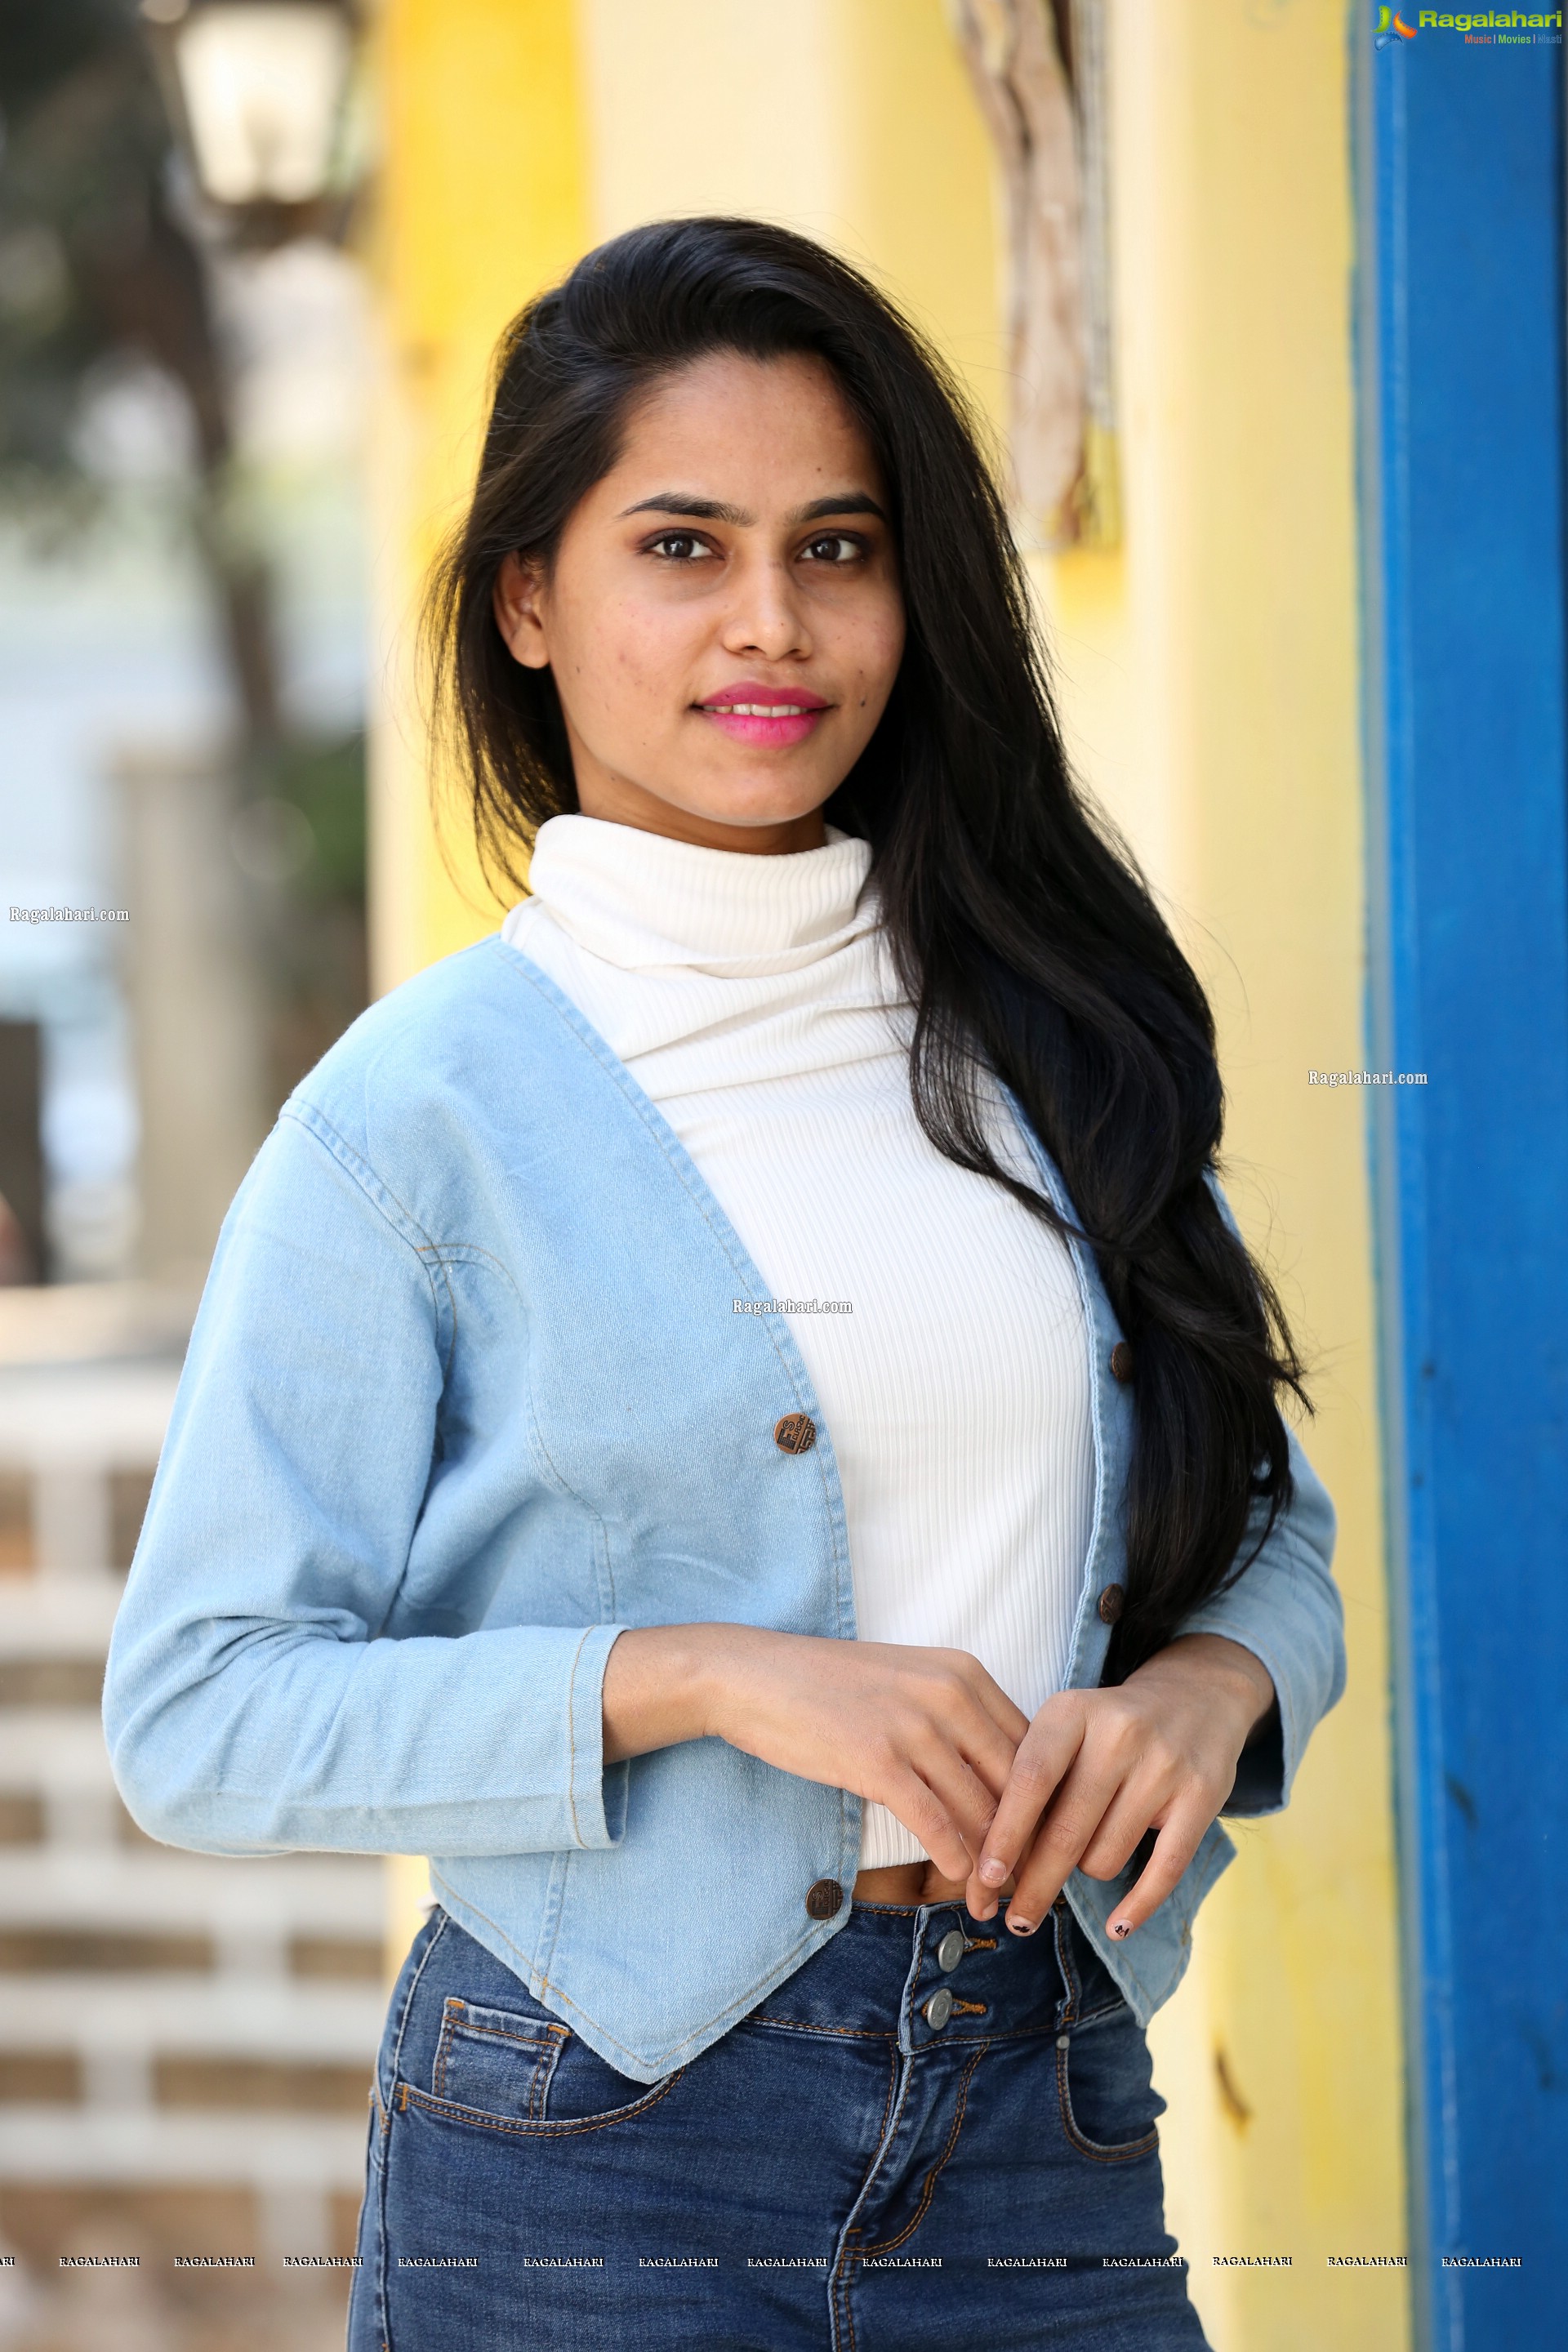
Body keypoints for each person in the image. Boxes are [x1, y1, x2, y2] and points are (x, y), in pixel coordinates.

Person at [103, 217, 1345, 2350]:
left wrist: (1212, 1693)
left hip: (1041, 2111)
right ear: (526, 597)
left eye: (836, 548)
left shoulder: (1054, 1036)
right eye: (682, 547)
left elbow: (1265, 1526)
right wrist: (705, 1674)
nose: (772, 624)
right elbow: (201, 1710)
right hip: (596, 2148)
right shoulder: (414, 1122)